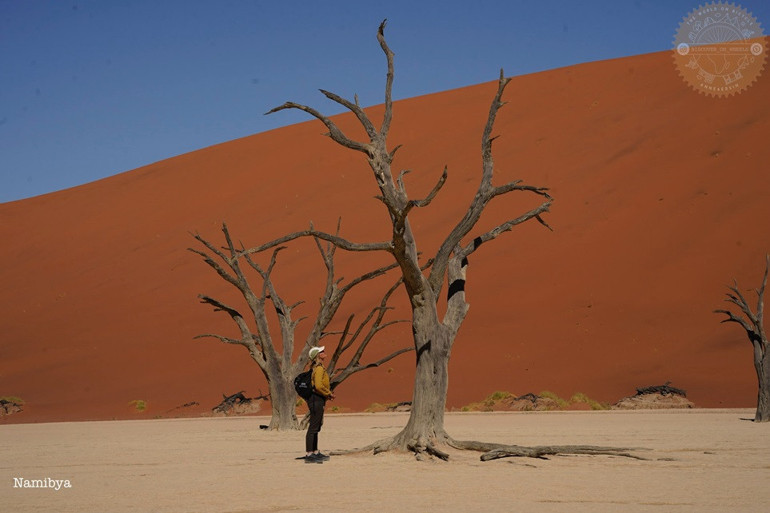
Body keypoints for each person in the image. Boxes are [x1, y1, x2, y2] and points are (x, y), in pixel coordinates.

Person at [304, 345, 334, 463]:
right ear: (318, 355)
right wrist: (328, 393)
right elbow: (318, 386)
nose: (324, 352)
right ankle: (309, 454)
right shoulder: (319, 369)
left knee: (316, 426)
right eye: (322, 351)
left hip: (318, 399)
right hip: (316, 399)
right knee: (313, 427)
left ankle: (315, 452)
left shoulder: (318, 367)